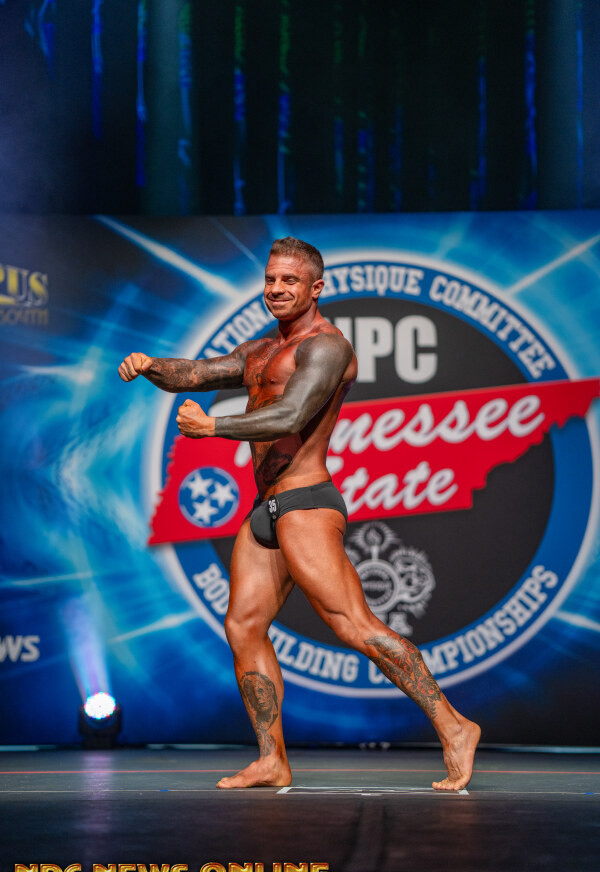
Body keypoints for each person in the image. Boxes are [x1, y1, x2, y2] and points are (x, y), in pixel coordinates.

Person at [118, 236, 480, 791]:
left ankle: (455, 727)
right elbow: (194, 373)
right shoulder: (260, 351)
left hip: (306, 502)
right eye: (270, 279)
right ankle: (272, 760)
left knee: (354, 625)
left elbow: (291, 414)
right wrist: (150, 366)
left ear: (316, 288)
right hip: (264, 508)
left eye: (289, 280)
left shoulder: (328, 347)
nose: (276, 288)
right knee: (243, 626)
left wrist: (213, 427)